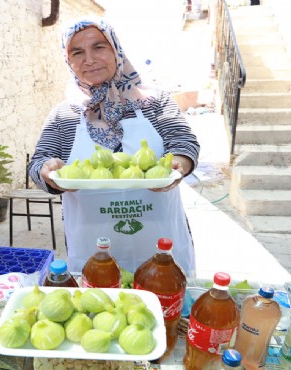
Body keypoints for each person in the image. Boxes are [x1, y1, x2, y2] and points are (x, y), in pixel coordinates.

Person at [28, 17, 200, 276]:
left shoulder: (154, 102)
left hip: (161, 246)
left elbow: (183, 142)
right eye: (77, 52)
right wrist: (47, 171)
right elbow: (38, 162)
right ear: (69, 61)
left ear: (116, 50)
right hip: (93, 250)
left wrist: (179, 164)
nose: (89, 59)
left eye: (99, 47)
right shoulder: (63, 115)